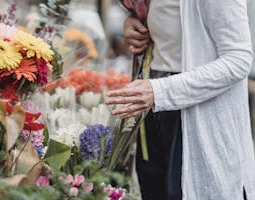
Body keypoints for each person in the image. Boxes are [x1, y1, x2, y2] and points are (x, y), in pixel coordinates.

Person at [106, 0, 255, 200]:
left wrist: (159, 91)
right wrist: (136, 22)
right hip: (154, 111)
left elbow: (238, 59)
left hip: (195, 119)